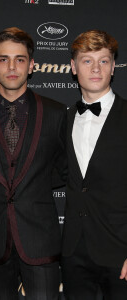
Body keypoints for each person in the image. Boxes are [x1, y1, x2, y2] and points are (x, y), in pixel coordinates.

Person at [0, 27, 67, 300]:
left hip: (40, 240)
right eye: (4, 59)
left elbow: (66, 170)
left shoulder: (56, 113)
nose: (12, 67)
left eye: (20, 59)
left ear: (32, 65)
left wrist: (36, 185)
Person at [61, 29, 127, 299]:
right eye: (87, 60)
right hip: (73, 252)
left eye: (104, 60)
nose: (96, 68)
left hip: (120, 252)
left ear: (113, 66)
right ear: (74, 68)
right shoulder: (63, 120)